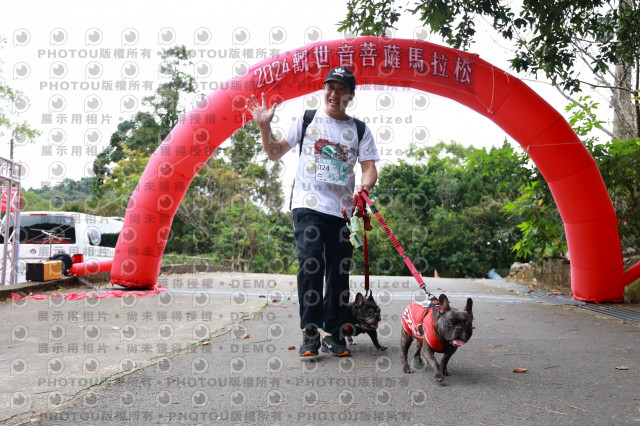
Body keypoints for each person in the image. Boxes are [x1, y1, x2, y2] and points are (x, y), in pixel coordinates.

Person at [247, 67, 379, 357]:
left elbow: (369, 168)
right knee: (310, 263)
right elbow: (274, 152)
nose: (334, 94)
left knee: (339, 271)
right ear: (324, 90)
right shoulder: (307, 119)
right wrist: (264, 127)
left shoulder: (359, 130)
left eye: (341, 90)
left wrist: (364, 186)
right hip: (307, 206)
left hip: (343, 212)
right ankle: (310, 331)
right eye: (330, 87)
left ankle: (333, 332)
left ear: (350, 96)